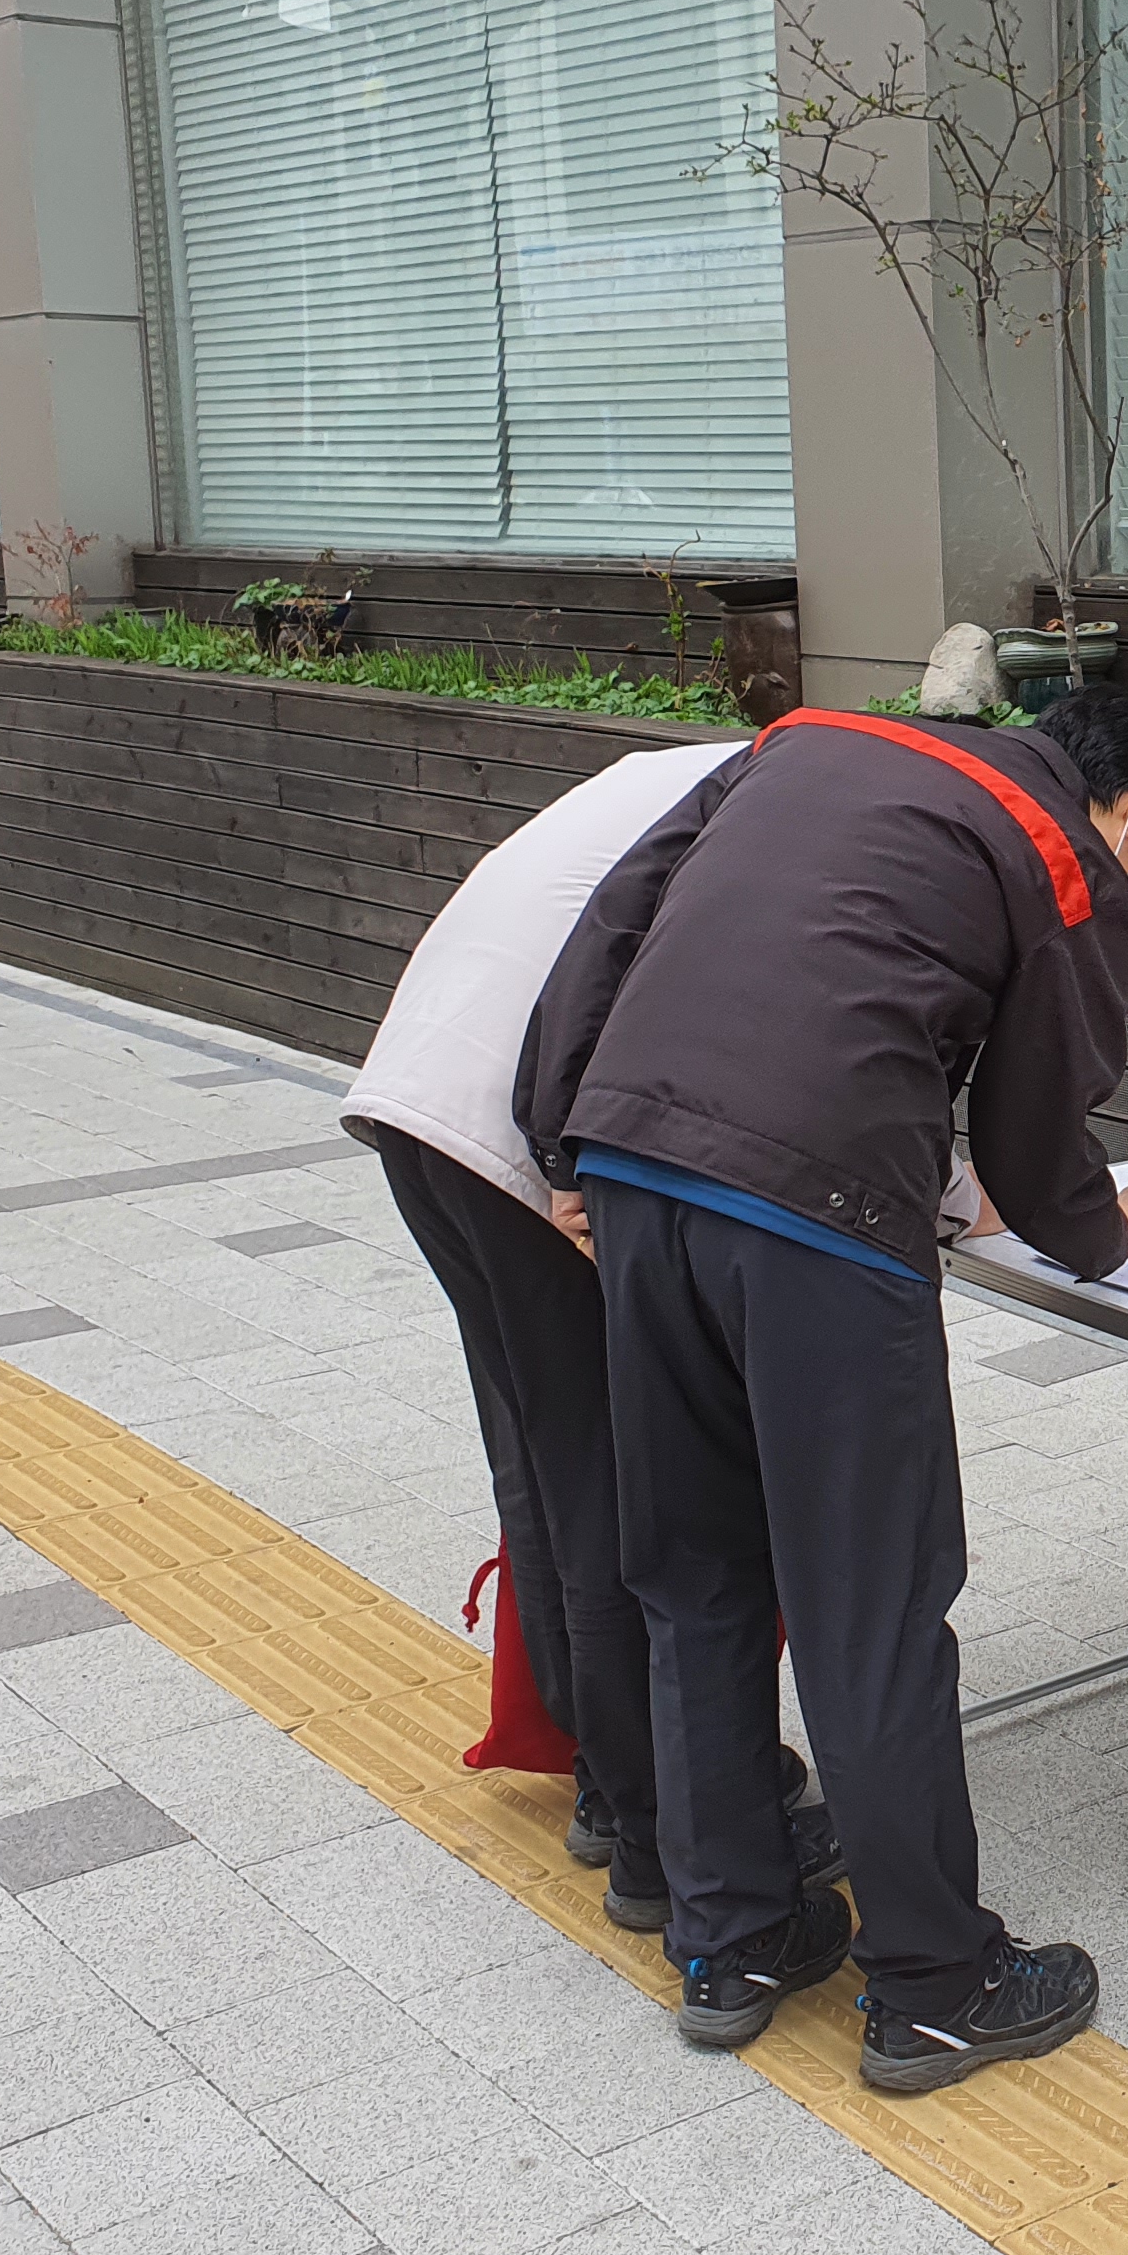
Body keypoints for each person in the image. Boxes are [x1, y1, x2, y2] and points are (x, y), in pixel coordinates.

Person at [516, 684, 1128, 2080]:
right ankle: (938, 1981)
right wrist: (1099, 1228)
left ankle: (733, 1938)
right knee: (869, 1604)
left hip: (640, 1175)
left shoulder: (808, 743)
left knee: (696, 1575)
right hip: (820, 1218)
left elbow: (615, 924)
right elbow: (1032, 1124)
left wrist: (563, 1132)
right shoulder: (1051, 847)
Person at [339, 737, 843, 1945]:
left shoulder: (731, 770)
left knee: (548, 1470)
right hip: (528, 1145)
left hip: (423, 1104)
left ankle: (613, 1787)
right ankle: (657, 1835)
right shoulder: (813, 816)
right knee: (621, 1492)